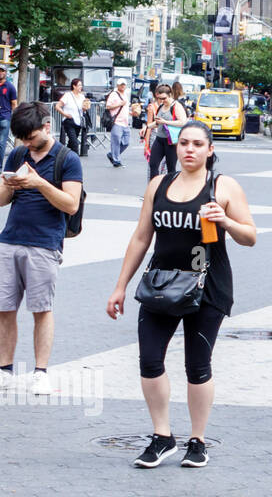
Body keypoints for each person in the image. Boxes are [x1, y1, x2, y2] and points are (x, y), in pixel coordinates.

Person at [106, 121, 257, 468]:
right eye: (184, 143)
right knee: (149, 360)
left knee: (197, 366)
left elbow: (250, 236)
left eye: (197, 144)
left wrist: (226, 222)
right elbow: (141, 238)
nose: (189, 149)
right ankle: (162, 436)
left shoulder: (223, 187)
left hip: (207, 286)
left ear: (210, 149)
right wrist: (120, 286)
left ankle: (198, 440)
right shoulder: (159, 184)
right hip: (160, 284)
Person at [0, 103, 83, 396]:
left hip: (45, 243)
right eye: (22, 138)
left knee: (41, 309)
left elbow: (71, 204)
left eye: (31, 137)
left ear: (47, 127)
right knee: (4, 309)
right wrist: (9, 183)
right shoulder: (18, 154)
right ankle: (5, 370)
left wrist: (38, 183)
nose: (26, 143)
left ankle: (40, 372)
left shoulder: (67, 159)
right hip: (10, 239)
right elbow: (1, 200)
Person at [145, 83, 187, 179]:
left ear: (170, 95)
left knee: (171, 168)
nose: (162, 101)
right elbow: (158, 122)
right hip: (159, 139)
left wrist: (165, 122)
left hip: (171, 141)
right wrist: (147, 127)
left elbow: (183, 122)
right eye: (159, 98)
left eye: (164, 98)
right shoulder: (161, 106)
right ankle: (154, 188)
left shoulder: (176, 106)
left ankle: (169, 190)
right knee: (153, 164)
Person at [105, 79, 132, 168]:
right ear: (118, 85)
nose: (123, 86)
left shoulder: (125, 95)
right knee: (116, 142)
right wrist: (120, 104)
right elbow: (108, 106)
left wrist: (132, 113)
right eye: (121, 85)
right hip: (117, 122)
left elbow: (126, 108)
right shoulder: (113, 94)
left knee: (126, 142)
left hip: (125, 122)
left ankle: (112, 154)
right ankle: (116, 160)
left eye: (124, 85)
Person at [57, 78, 85, 155]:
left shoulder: (82, 97)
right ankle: (76, 159)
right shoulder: (68, 95)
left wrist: (85, 108)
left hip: (78, 121)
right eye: (79, 85)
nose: (81, 87)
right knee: (75, 143)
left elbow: (83, 109)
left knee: (72, 141)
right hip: (69, 120)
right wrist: (65, 114)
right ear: (74, 86)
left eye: (81, 85)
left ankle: (66, 155)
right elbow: (57, 106)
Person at [0, 66, 17, 157]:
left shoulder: (10, 87)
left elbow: (14, 103)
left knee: (1, 143)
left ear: (5, 72)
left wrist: (15, 117)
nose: (0, 73)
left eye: (2, 71)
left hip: (4, 118)